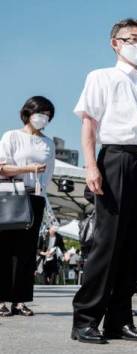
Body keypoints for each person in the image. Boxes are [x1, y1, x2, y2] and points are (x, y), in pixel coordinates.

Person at [71, 18, 137, 344]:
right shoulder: (101, 77)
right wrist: (90, 167)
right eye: (132, 39)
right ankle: (86, 319)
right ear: (116, 43)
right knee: (108, 242)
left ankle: (120, 319)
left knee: (134, 244)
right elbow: (89, 124)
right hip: (115, 159)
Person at [0, 96, 56, 317]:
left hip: (34, 197)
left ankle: (20, 300)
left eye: (48, 115)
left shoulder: (48, 143)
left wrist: (39, 184)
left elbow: (48, 174)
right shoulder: (12, 136)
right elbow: (2, 167)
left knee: (26, 251)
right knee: (4, 248)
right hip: (10, 194)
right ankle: (2, 300)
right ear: (28, 113)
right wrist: (29, 168)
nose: (44, 118)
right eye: (40, 113)